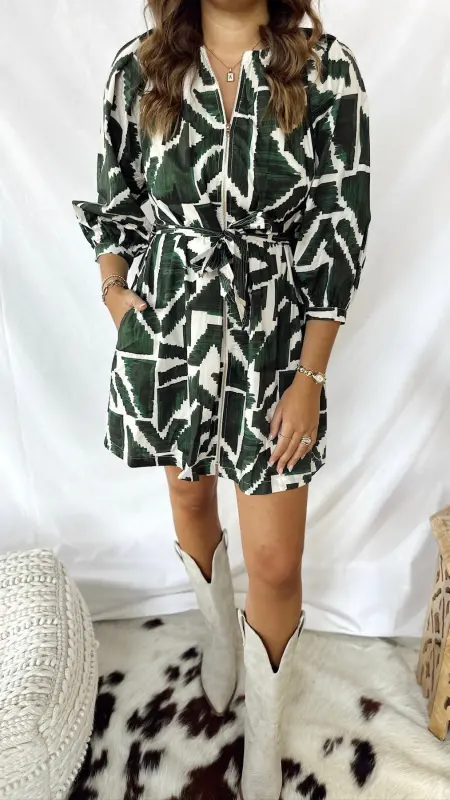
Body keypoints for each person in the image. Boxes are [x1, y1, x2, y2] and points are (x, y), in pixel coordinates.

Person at [73, 0, 370, 797]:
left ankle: (263, 738)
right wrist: (116, 296)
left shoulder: (326, 71)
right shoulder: (140, 68)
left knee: (273, 559)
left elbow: (341, 226)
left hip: (274, 336)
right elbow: (116, 194)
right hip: (172, 327)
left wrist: (309, 377)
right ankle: (219, 639)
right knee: (187, 494)